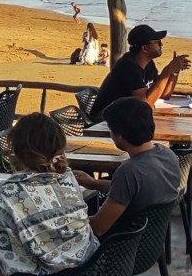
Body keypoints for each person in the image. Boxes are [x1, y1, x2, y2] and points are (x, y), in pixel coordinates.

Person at [0, 112, 98, 276]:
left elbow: (10, 242)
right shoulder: (67, 176)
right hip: (87, 273)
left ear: (17, 151)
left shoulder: (9, 190)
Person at [73, 97, 183, 236]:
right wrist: (93, 183)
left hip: (119, 244)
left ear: (119, 135)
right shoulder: (168, 155)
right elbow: (134, 191)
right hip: (152, 239)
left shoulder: (129, 172)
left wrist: (67, 220)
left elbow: (98, 227)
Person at [91, 24, 191, 116]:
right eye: (157, 42)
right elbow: (145, 105)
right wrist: (167, 70)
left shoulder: (148, 64)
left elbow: (164, 94)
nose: (161, 45)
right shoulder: (128, 67)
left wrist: (174, 72)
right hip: (105, 119)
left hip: (123, 116)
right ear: (145, 48)